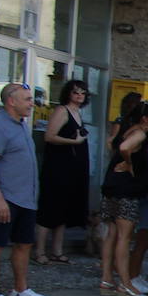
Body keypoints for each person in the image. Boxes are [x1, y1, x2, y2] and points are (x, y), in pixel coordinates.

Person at [0, 83, 51, 296]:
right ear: (11, 101)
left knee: (24, 244)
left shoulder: (22, 125)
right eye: (27, 99)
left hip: (26, 198)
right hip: (5, 198)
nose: (32, 103)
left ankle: (20, 290)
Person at [99, 101, 148, 296]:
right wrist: (128, 163)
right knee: (124, 237)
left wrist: (121, 159)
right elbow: (125, 147)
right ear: (145, 118)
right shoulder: (140, 133)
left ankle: (106, 279)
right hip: (126, 189)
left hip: (112, 186)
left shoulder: (127, 129)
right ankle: (125, 283)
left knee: (112, 234)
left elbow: (112, 142)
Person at [35, 79, 92, 265]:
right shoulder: (62, 111)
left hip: (72, 169)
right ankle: (39, 250)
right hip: (58, 168)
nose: (79, 96)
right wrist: (73, 142)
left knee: (63, 209)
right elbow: (49, 136)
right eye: (76, 92)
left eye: (82, 93)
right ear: (68, 93)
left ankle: (57, 250)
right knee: (49, 208)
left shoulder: (78, 113)